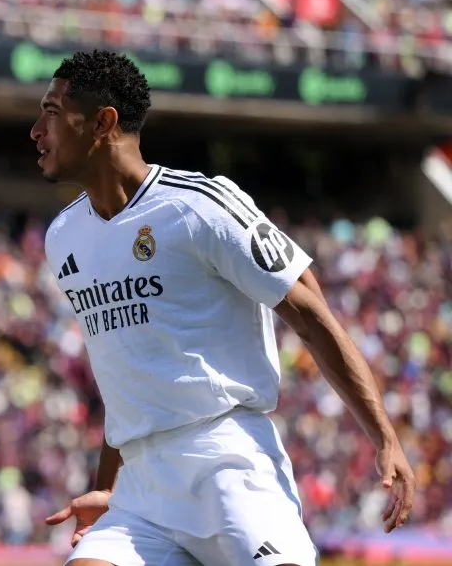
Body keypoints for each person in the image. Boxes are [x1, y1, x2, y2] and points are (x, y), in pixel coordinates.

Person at [31, 50, 415, 566]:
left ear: (103, 122)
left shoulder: (199, 206)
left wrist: (383, 436)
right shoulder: (64, 237)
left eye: (52, 112)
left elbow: (309, 309)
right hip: (141, 493)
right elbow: (126, 378)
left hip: (228, 464)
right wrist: (110, 488)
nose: (36, 129)